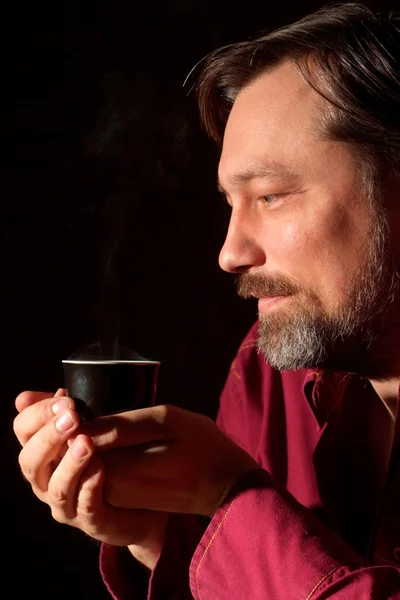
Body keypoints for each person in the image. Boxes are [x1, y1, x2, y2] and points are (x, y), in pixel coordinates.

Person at [13, 2, 400, 598]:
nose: (229, 253)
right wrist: (162, 534)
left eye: (270, 196)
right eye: (229, 202)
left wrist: (228, 496)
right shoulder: (269, 368)